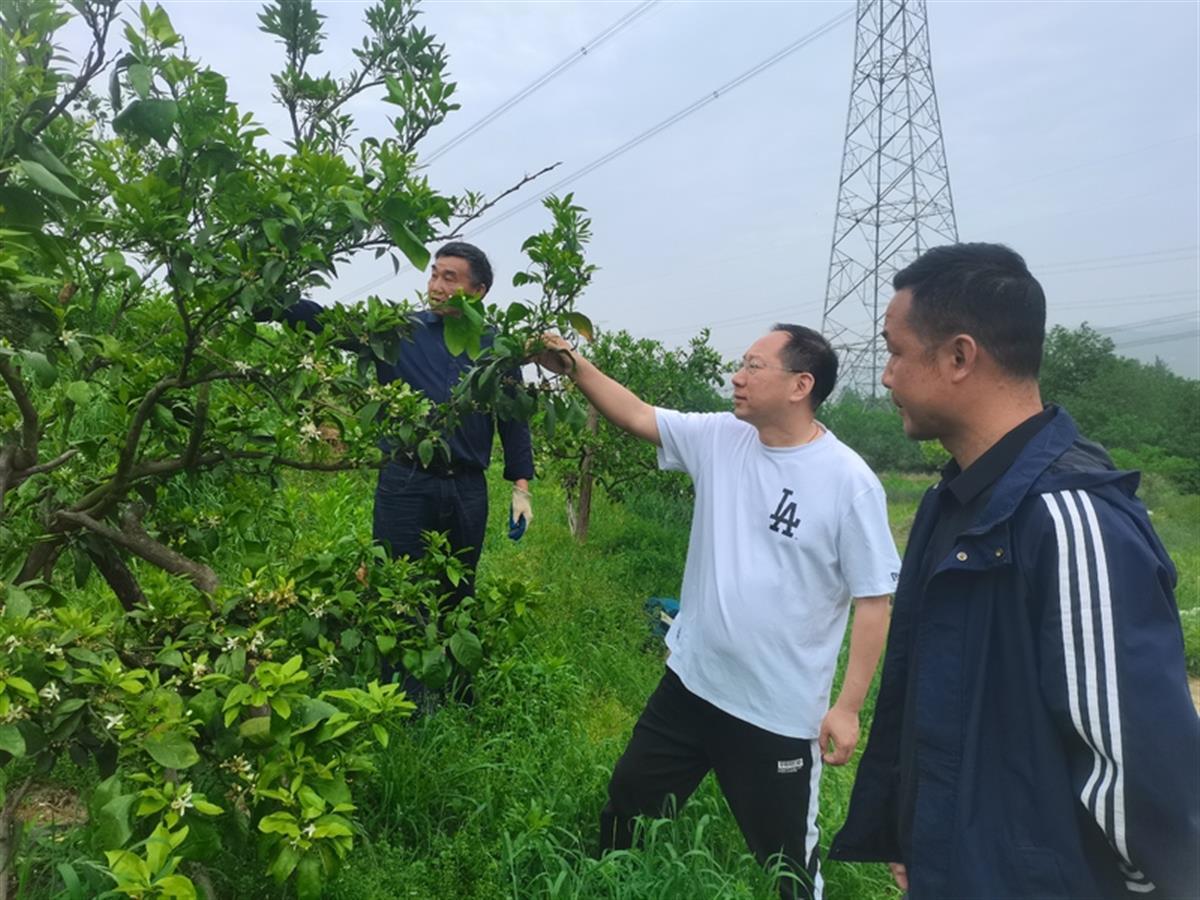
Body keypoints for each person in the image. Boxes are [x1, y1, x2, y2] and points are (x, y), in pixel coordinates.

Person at [829, 243, 1200, 898]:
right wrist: (921, 833)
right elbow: (944, 702)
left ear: (959, 357)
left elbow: (1141, 776)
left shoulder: (1070, 517)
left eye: (895, 351)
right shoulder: (952, 503)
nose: (885, 377)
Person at [536, 324, 900, 900]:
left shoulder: (847, 481)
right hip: (691, 682)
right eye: (741, 364)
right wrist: (573, 366)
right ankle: (604, 885)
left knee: (786, 863)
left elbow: (874, 602)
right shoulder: (721, 438)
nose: (737, 377)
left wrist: (849, 707)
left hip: (775, 711)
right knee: (629, 802)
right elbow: (637, 414)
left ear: (800, 385)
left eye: (754, 366)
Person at [280, 242, 533, 623]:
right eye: (434, 274)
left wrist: (521, 488)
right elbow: (329, 323)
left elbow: (514, 419)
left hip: (466, 489)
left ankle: (451, 660)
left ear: (479, 291)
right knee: (396, 588)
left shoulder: (498, 349)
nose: (436, 286)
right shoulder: (399, 332)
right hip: (406, 481)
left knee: (458, 589)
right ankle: (400, 662)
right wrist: (275, 302)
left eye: (450, 278)